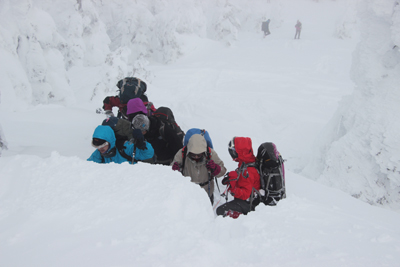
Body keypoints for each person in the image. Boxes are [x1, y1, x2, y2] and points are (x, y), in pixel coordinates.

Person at [171, 134, 227, 204]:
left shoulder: (211, 153)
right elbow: (170, 172)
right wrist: (174, 170)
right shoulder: (182, 153)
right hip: (188, 193)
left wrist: (216, 168)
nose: (196, 157)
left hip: (207, 192)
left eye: (199, 155)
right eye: (193, 154)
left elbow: (223, 170)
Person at [216, 137, 261, 219]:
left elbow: (245, 195)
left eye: (233, 151)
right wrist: (232, 180)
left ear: (241, 152)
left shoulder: (248, 171)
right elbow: (244, 182)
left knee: (220, 211)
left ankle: (243, 218)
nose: (232, 154)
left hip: (249, 204)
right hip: (246, 201)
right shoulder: (245, 163)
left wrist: (233, 189)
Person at [88, 125, 154, 164]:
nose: (100, 148)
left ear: (110, 141)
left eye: (102, 145)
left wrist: (142, 144)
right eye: (96, 146)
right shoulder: (99, 154)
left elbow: (148, 154)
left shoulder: (124, 147)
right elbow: (88, 166)